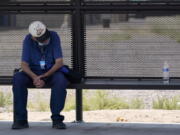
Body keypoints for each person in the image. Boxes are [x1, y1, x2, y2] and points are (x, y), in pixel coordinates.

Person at [12, 21, 68, 129]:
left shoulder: (54, 36)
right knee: (18, 78)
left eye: (45, 36)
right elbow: (24, 65)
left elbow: (59, 62)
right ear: (33, 38)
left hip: (51, 72)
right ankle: (21, 120)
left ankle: (57, 119)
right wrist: (35, 77)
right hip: (33, 74)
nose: (46, 40)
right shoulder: (28, 39)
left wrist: (44, 77)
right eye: (41, 39)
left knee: (61, 80)